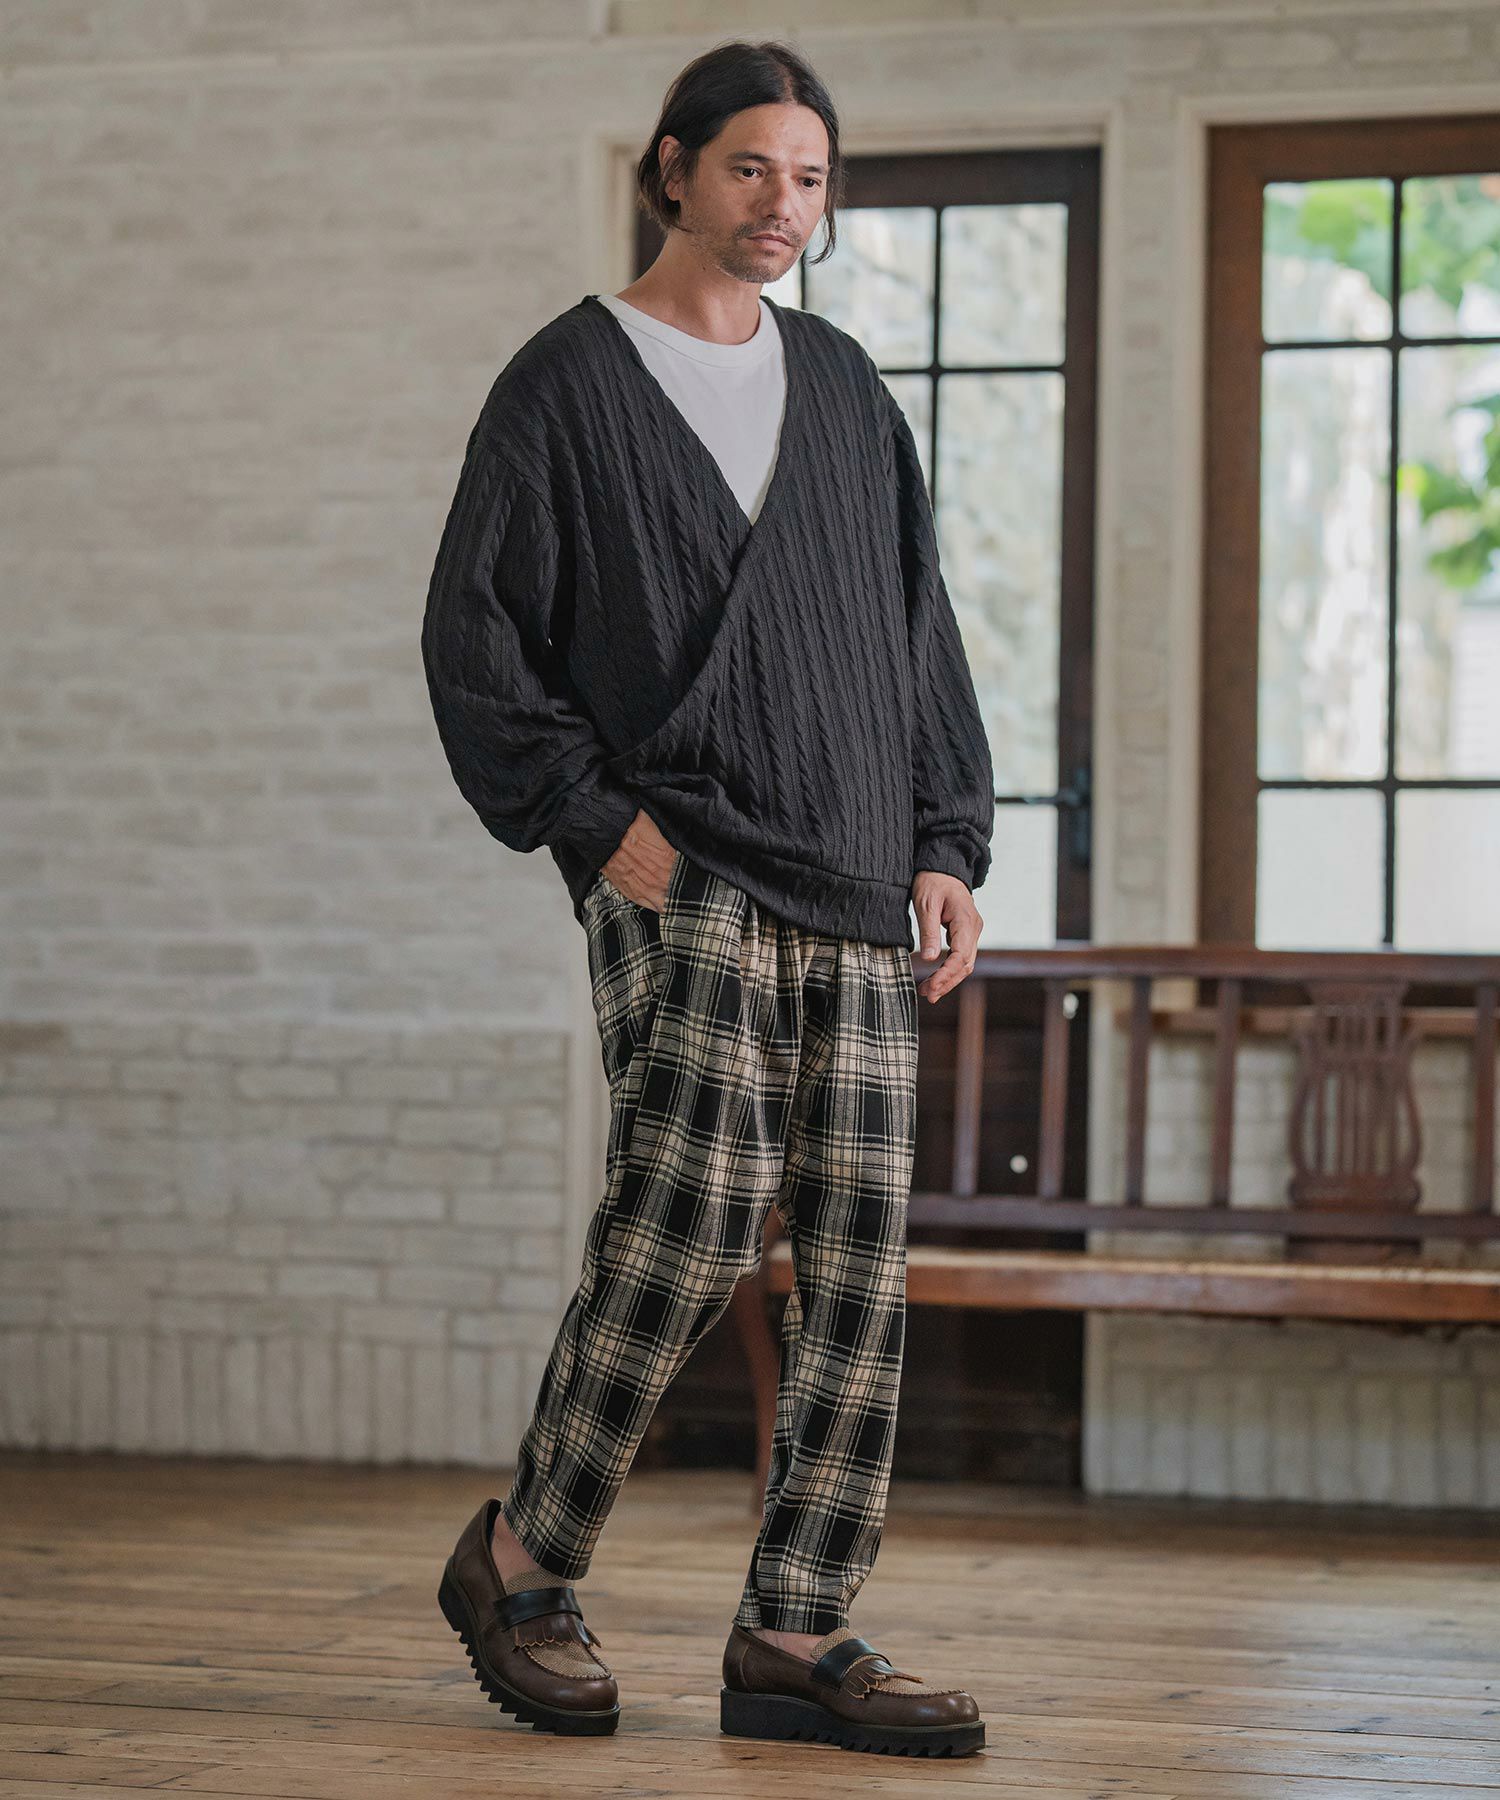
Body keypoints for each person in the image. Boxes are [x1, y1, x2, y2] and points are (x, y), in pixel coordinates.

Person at [422, 36, 993, 1760]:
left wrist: (946, 837)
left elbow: (913, 627)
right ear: (672, 169)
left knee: (859, 1253)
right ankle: (525, 1557)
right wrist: (599, 829)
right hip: (684, 872)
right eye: (751, 167)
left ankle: (797, 1626)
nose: (782, 204)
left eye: (809, 177)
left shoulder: (844, 388)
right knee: (698, 1208)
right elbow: (477, 641)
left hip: (857, 872)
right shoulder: (567, 385)